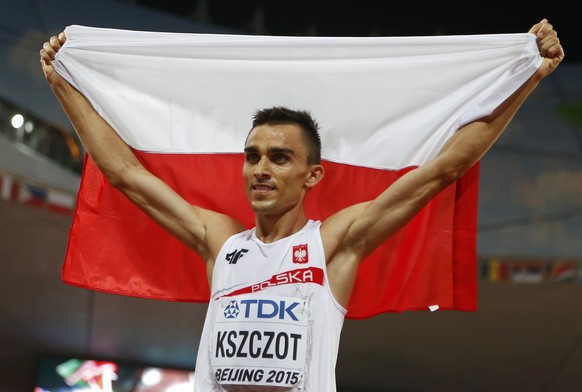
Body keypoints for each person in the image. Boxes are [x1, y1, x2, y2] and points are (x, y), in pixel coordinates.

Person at [40, 19, 563, 391]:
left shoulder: (334, 243)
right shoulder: (220, 241)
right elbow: (125, 174)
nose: (260, 168)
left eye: (279, 157)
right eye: (252, 156)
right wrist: (64, 85)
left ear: (312, 175)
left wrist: (527, 77)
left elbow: (444, 170)